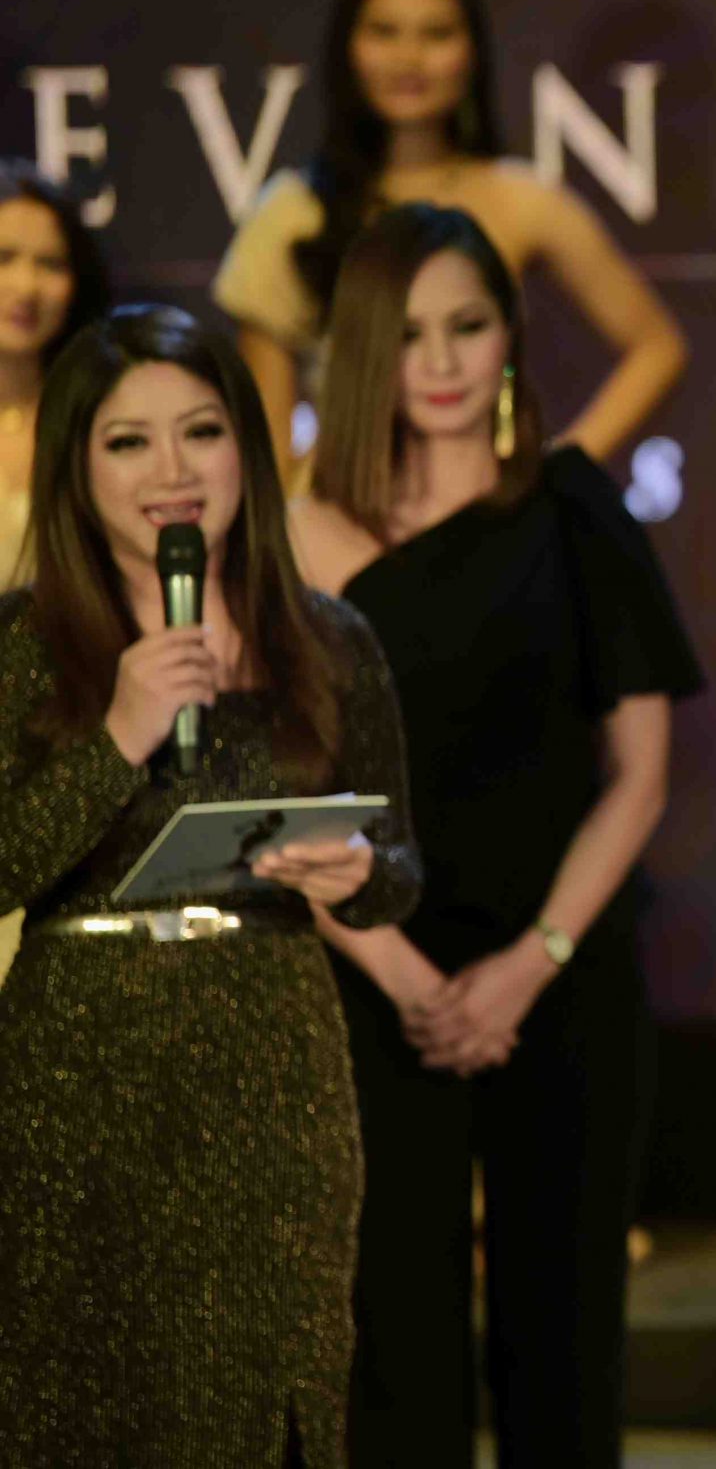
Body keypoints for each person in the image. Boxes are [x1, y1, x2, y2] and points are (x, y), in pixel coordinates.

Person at [289, 205, 702, 1467]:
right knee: (393, 1351)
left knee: (563, 1348)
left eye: (467, 326)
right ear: (365, 349)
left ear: (509, 337)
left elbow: (639, 777)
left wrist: (533, 961)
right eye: (410, 333)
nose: (442, 360)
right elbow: (286, 798)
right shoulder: (300, 533)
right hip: (375, 981)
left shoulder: (574, 508)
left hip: (563, 975)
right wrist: (408, 978)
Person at [0, 305, 421, 1466]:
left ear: (247, 446)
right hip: (77, 1066)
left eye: (201, 432)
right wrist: (118, 737)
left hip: (273, 1061)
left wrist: (356, 870)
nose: (172, 472)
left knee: (265, 1400)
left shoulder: (328, 640)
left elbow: (398, 868)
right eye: (128, 442)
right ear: (77, 468)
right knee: (82, 1405)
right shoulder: (25, 644)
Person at [215, 0, 686, 468]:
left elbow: (656, 346)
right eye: (384, 32)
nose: (408, 58)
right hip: (345, 509)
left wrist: (556, 479)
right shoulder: (292, 214)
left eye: (436, 33)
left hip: (486, 505)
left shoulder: (520, 199)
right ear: (347, 47)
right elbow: (272, 446)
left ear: (473, 51)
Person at [0, 160, 114, 992]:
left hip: (67, 751)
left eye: (51, 262)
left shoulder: (103, 424)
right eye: (5, 257)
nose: (27, 285)